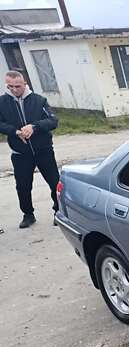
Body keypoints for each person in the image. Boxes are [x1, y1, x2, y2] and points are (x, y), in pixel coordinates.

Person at [0, 70, 60, 228]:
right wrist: (15, 131)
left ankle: (58, 211)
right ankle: (28, 214)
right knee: (23, 185)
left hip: (44, 150)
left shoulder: (39, 100)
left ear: (25, 84)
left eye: (17, 86)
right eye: (10, 86)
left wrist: (35, 127)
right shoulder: (2, 102)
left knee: (55, 182)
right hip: (20, 154)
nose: (13, 89)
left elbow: (53, 121)